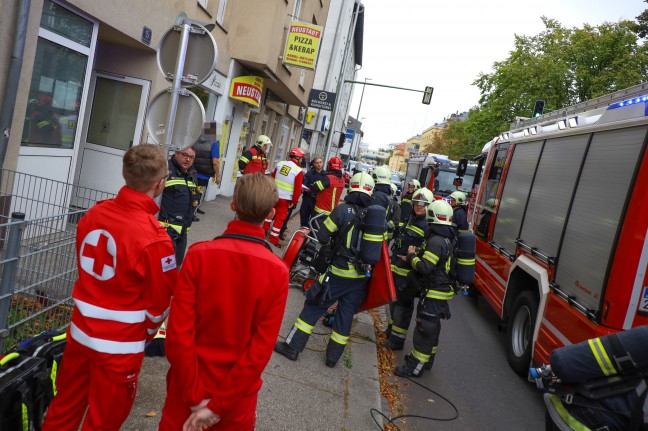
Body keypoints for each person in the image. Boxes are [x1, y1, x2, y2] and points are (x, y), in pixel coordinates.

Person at [42, 144, 176, 431]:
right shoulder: (155, 240)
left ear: (125, 174)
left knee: (63, 408)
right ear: (159, 183)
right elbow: (159, 306)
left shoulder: (93, 214)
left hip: (79, 334)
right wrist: (143, 338)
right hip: (120, 348)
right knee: (103, 421)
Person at [159, 173, 289, 431]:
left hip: (186, 389)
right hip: (236, 402)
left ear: (233, 205)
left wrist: (197, 400)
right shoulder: (278, 272)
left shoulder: (199, 256)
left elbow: (178, 335)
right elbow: (260, 351)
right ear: (271, 214)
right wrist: (217, 406)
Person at [274, 172, 381, 368]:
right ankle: (332, 359)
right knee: (345, 315)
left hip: (337, 274)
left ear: (352, 187)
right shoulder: (374, 217)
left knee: (314, 307)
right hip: (360, 278)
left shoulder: (341, 210)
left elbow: (323, 236)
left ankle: (292, 347)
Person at [394, 199, 456, 378]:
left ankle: (414, 366)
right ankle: (426, 361)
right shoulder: (447, 236)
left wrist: (412, 256)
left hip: (434, 292)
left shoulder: (436, 240)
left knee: (424, 329)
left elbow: (425, 268)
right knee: (433, 328)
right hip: (441, 291)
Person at [382, 188, 435, 345]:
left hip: (409, 274)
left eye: (423, 204)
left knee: (402, 307)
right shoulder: (411, 219)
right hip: (397, 270)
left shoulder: (427, 227)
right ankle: (391, 330)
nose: (419, 206)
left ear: (428, 206)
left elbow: (428, 250)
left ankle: (397, 340)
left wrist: (414, 254)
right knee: (393, 302)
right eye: (416, 203)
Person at [159, 147, 200, 266]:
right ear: (176, 153)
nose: (187, 159)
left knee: (176, 268)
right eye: (184, 155)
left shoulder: (192, 173)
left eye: (191, 157)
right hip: (166, 233)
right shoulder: (166, 170)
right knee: (163, 269)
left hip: (182, 234)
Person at [263, 147, 305, 247]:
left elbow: (272, 179)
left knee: (268, 215)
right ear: (298, 158)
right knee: (279, 220)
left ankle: (262, 234)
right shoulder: (298, 170)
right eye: (302, 158)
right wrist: (294, 202)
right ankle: (273, 240)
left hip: (274, 195)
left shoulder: (280, 164)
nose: (302, 160)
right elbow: (297, 189)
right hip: (285, 199)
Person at [193, 140, 221, 218]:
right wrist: (218, 175)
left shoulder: (196, 140)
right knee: (199, 194)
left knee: (193, 192)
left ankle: (195, 209)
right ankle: (193, 213)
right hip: (204, 174)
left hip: (193, 172)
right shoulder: (214, 143)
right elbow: (215, 162)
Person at [300, 157, 326, 227]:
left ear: (323, 163)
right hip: (307, 199)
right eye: (317, 163)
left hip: (318, 201)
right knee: (304, 217)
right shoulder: (309, 174)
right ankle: (303, 233)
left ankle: (311, 235)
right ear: (314, 164)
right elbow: (303, 184)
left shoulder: (326, 175)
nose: (319, 164)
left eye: (320, 162)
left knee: (314, 220)